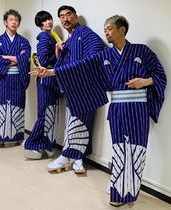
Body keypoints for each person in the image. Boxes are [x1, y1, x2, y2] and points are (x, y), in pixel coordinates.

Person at [31, 15, 167, 207]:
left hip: (139, 109)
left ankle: (129, 188)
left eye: (109, 28)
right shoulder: (105, 56)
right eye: (104, 29)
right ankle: (119, 189)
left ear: (122, 30)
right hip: (118, 108)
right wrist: (52, 71)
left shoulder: (142, 51)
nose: (106, 32)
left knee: (137, 150)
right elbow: (80, 67)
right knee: (119, 149)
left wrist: (145, 82)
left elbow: (159, 75)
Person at [44, 5, 106, 174]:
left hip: (85, 86)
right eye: (62, 16)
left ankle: (70, 156)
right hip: (74, 88)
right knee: (74, 122)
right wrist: (58, 52)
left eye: (68, 14)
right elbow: (64, 63)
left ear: (76, 17)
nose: (65, 19)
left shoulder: (85, 33)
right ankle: (76, 157)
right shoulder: (69, 39)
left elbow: (96, 52)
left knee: (80, 122)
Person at [0, 9, 31, 151]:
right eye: (11, 19)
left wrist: (7, 58)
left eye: (16, 20)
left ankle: (19, 137)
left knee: (19, 106)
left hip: (19, 78)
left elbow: (26, 58)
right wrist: (17, 58)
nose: (14, 22)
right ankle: (0, 138)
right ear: (5, 22)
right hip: (4, 78)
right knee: (2, 107)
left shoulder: (23, 41)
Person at [24, 11, 61, 159]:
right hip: (46, 79)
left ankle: (46, 144)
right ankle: (31, 143)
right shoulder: (44, 38)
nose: (49, 22)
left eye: (50, 19)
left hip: (51, 79)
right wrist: (57, 51)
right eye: (45, 21)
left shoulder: (52, 36)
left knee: (50, 113)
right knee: (45, 114)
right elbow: (44, 61)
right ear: (40, 24)